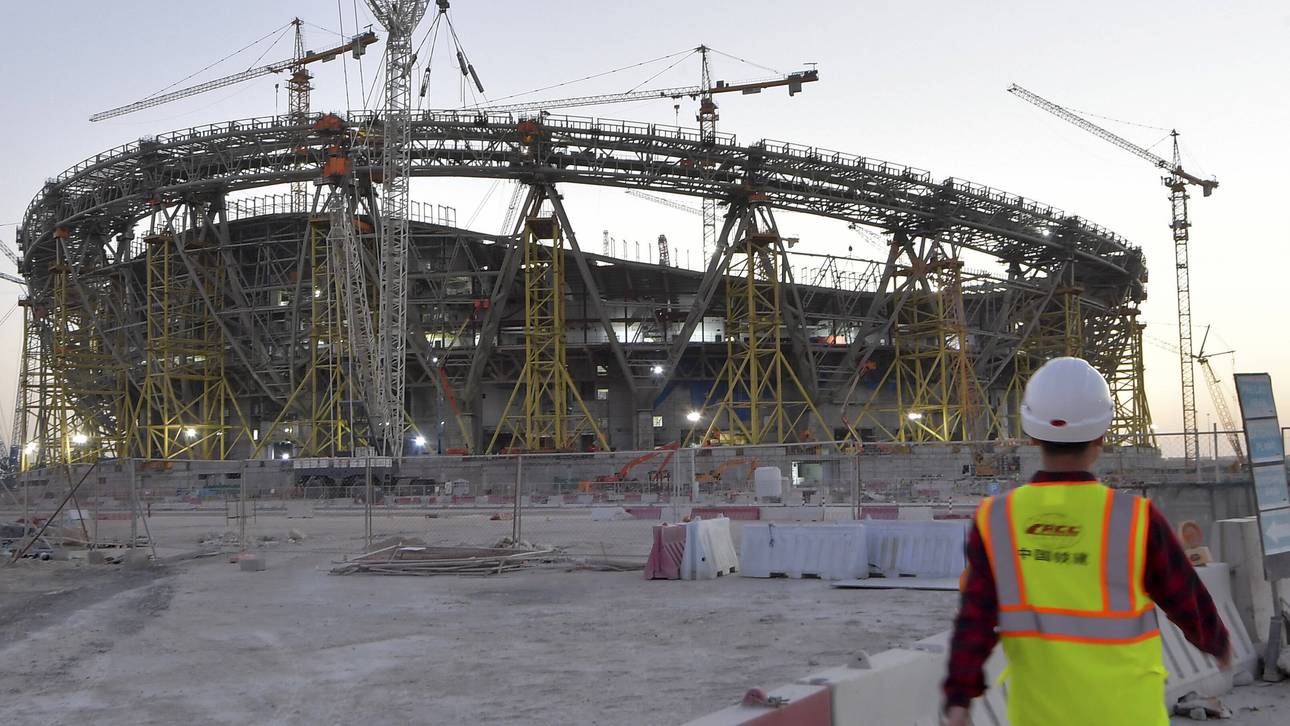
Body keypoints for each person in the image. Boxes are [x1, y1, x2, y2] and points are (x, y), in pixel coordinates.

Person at [942, 357, 1231, 725]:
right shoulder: (1136, 519)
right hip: (1129, 715)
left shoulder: (996, 520)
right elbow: (1185, 596)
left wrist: (960, 695)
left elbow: (975, 617)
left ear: (1030, 434)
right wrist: (1217, 642)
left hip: (1038, 716)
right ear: (1103, 434)